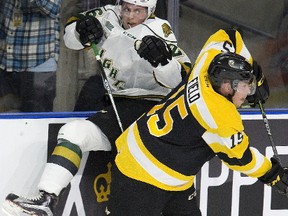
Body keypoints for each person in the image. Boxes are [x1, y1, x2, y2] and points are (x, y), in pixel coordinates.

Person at [2, 0, 191, 215]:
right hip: (117, 105)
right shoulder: (108, 15)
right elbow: (71, 36)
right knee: (74, 132)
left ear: (150, 11)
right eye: (126, 8)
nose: (129, 16)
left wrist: (163, 61)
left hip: (152, 112)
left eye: (138, 11)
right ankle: (46, 201)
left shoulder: (160, 29)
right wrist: (80, 31)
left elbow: (180, 77)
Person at [104, 28, 287, 215]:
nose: (248, 92)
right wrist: (272, 173)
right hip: (138, 174)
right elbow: (241, 159)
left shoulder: (205, 66)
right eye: (244, 87)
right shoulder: (219, 115)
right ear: (227, 86)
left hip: (174, 176)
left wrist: (251, 70)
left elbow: (229, 35)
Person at [0, 0, 62, 112]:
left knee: (36, 123)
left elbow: (53, 8)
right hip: (6, 61)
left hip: (38, 62)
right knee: (6, 125)